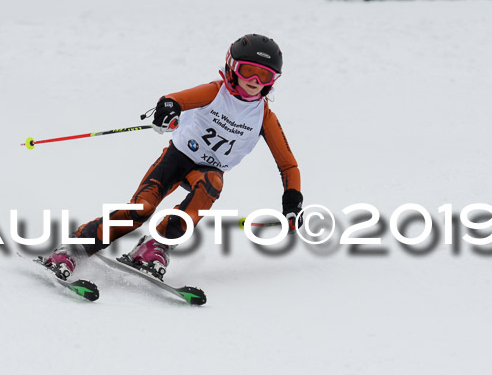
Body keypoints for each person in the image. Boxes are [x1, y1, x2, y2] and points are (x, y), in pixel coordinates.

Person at [44, 33, 303, 281]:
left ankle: (156, 245)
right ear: (233, 67)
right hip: (177, 158)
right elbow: (173, 100)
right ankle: (74, 248)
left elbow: (288, 165)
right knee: (141, 209)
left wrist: (292, 203)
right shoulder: (215, 92)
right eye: (248, 70)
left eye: (265, 74)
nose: (255, 80)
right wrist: (166, 110)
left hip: (206, 170)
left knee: (212, 183)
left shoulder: (264, 118)